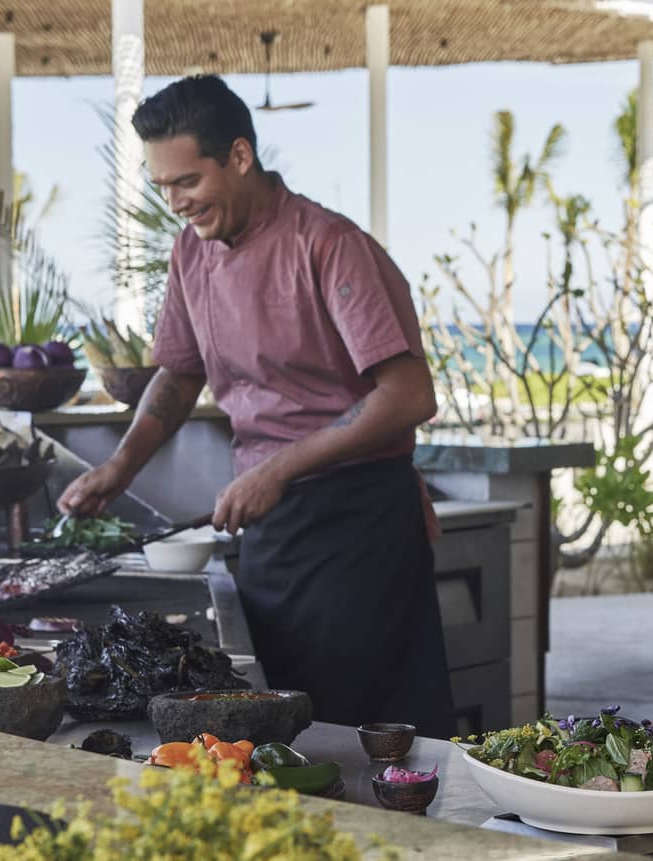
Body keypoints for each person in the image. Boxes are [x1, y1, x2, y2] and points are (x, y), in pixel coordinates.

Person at [59, 75, 454, 738]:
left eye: (188, 182)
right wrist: (118, 469)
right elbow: (179, 377)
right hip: (273, 527)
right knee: (282, 711)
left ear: (240, 156)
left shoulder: (328, 245)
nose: (177, 203)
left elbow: (411, 394)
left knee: (359, 728)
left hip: (358, 523)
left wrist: (276, 468)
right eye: (163, 188)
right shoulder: (191, 252)